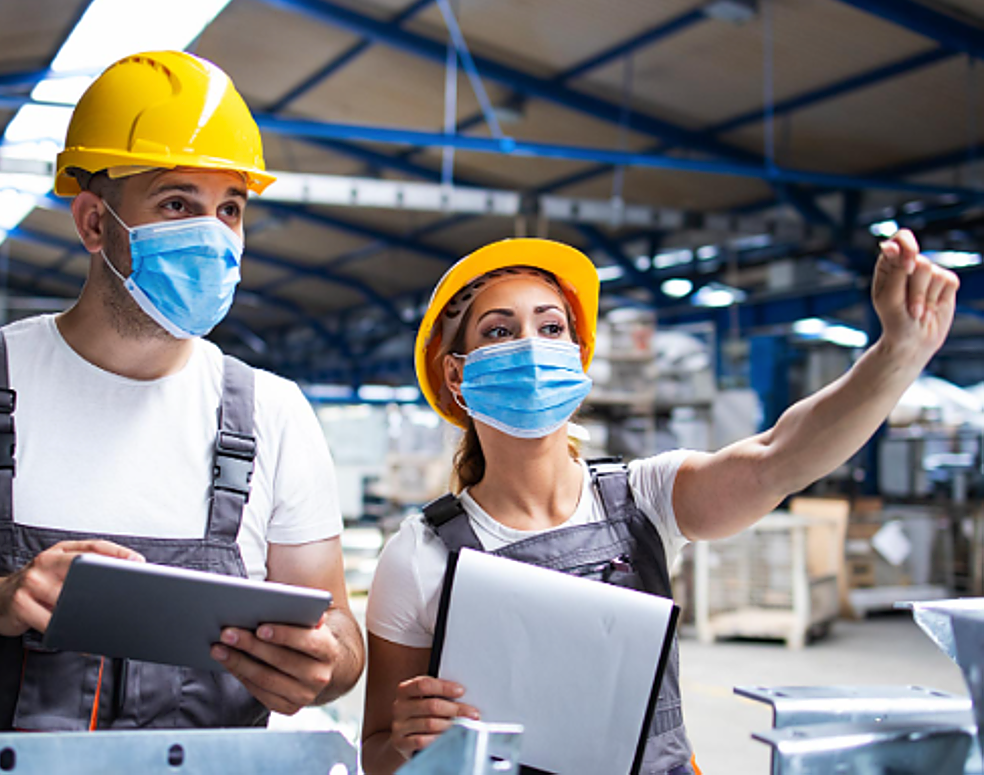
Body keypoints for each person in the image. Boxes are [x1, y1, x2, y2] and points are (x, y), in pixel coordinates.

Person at [0, 50, 364, 772]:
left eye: (230, 208)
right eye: (176, 203)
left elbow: (339, 636)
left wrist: (324, 663)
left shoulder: (272, 414)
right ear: (95, 222)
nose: (213, 234)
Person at [360, 232, 958, 774]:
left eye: (551, 328)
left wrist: (895, 355)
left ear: (577, 355)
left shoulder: (644, 497)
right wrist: (411, 743)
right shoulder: (419, 556)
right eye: (499, 331)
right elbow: (379, 753)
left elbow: (779, 457)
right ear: (457, 376)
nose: (532, 348)